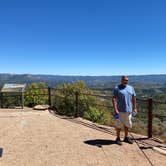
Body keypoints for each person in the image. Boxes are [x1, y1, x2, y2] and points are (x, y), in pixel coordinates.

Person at [112, 76, 137, 145]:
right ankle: (118, 138)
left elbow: (134, 98)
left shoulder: (131, 88)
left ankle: (126, 137)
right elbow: (113, 99)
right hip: (119, 111)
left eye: (127, 80)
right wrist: (115, 109)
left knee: (127, 125)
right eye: (124, 80)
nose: (126, 81)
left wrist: (135, 108)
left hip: (129, 111)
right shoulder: (117, 88)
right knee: (118, 125)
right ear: (121, 80)